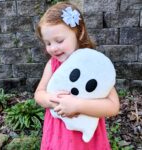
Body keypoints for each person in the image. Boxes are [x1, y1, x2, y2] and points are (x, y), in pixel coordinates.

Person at [34, 2, 120, 150]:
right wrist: (52, 100)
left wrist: (78, 105)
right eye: (47, 43)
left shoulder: (93, 65)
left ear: (79, 32)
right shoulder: (53, 64)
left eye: (59, 41)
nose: (53, 48)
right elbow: (39, 93)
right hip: (58, 136)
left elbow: (113, 106)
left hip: (86, 141)